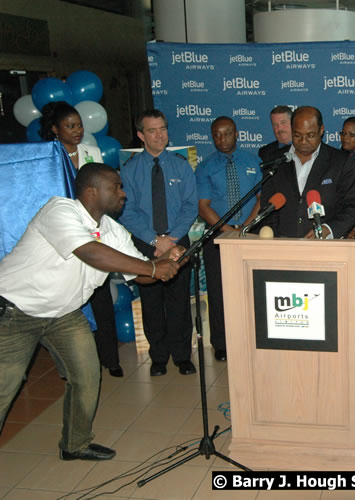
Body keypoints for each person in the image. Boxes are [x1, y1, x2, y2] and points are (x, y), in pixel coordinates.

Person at [0, 163, 184, 461]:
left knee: (86, 376)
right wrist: (153, 266)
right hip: (15, 313)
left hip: (64, 315)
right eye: (116, 187)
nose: (123, 193)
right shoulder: (60, 210)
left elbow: (140, 275)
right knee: (3, 390)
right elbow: (89, 251)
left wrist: (172, 264)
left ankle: (75, 444)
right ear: (91, 191)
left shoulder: (113, 230)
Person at [39, 101, 122, 377]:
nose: (77, 131)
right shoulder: (46, 158)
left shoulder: (92, 152)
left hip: (93, 231)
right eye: (70, 126)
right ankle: (74, 365)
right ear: (55, 129)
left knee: (100, 295)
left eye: (79, 125)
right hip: (63, 235)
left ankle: (111, 359)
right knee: (70, 301)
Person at [119, 109, 198, 377]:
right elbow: (126, 211)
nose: (160, 135)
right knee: (151, 302)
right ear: (141, 135)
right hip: (145, 244)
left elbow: (190, 205)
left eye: (163, 128)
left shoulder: (180, 164)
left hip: (177, 241)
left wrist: (172, 239)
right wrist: (154, 240)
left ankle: (183, 356)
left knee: (179, 302)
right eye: (152, 130)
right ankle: (159, 357)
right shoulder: (129, 169)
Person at [196, 116, 263, 362]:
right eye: (217, 134)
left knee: (252, 289)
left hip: (250, 232)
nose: (222, 139)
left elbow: (261, 197)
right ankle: (221, 343)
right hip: (218, 235)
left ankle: (252, 338)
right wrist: (227, 230)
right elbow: (203, 206)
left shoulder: (254, 161)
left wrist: (244, 228)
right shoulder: (204, 167)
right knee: (218, 290)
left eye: (227, 133)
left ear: (237, 134)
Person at [259, 106, 355, 239]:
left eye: (310, 135)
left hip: (325, 248)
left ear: (321, 130)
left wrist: (329, 229)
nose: (303, 141)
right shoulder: (275, 161)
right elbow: (267, 207)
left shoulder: (340, 161)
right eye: (297, 135)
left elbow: (354, 206)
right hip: (283, 246)